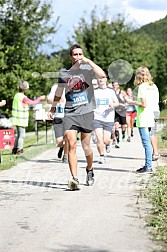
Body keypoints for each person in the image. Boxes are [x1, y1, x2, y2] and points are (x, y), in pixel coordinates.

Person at [48, 43, 105, 190]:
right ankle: (74, 179)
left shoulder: (87, 70)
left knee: (86, 147)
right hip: (70, 113)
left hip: (86, 113)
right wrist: (52, 108)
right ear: (70, 56)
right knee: (72, 144)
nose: (78, 57)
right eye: (75, 54)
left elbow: (102, 75)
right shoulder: (64, 74)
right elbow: (58, 93)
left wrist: (89, 61)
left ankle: (90, 169)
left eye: (80, 54)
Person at [127, 66, 156, 173]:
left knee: (146, 143)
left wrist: (132, 102)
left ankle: (148, 166)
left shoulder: (142, 87)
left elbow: (143, 104)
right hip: (150, 116)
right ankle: (147, 165)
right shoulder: (153, 86)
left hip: (143, 118)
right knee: (147, 141)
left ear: (138, 76)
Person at [11, 81, 45, 155]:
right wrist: (40, 98)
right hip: (21, 119)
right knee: (22, 135)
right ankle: (19, 150)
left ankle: (15, 149)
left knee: (18, 134)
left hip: (16, 119)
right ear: (25, 89)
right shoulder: (23, 97)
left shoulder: (16, 95)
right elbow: (33, 102)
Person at [93, 77, 119, 164]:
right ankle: (102, 156)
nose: (100, 80)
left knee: (105, 140)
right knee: (99, 138)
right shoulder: (94, 91)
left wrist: (113, 104)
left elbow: (117, 103)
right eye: (99, 78)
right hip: (97, 117)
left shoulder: (110, 91)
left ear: (106, 79)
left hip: (108, 118)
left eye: (102, 78)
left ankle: (108, 143)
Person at [47, 84, 68, 163]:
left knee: (68, 138)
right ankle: (62, 147)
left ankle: (66, 156)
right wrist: (58, 100)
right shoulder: (55, 87)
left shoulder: (73, 86)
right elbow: (48, 100)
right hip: (58, 116)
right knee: (59, 142)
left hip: (69, 117)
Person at [112, 81, 127, 148]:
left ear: (118, 86)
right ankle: (117, 141)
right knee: (116, 126)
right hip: (115, 111)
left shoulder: (122, 92)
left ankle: (123, 133)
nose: (115, 86)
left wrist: (125, 103)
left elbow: (127, 99)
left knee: (123, 126)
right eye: (114, 85)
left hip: (122, 111)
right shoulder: (111, 93)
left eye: (116, 85)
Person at [150, 84, 160, 161]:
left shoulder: (145, 87)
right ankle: (155, 152)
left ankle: (155, 153)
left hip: (150, 112)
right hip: (156, 110)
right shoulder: (154, 86)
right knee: (154, 132)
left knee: (151, 133)